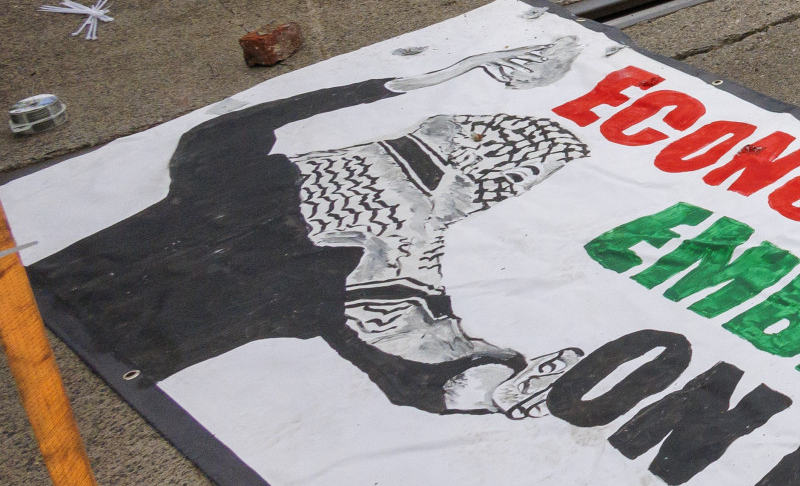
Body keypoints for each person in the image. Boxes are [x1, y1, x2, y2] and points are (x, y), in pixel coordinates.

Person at [33, 37, 592, 413]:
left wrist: (432, 77)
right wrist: (493, 382)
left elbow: (228, 131)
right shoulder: (393, 259)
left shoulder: (376, 249)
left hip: (63, 295)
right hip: (124, 349)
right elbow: (413, 362)